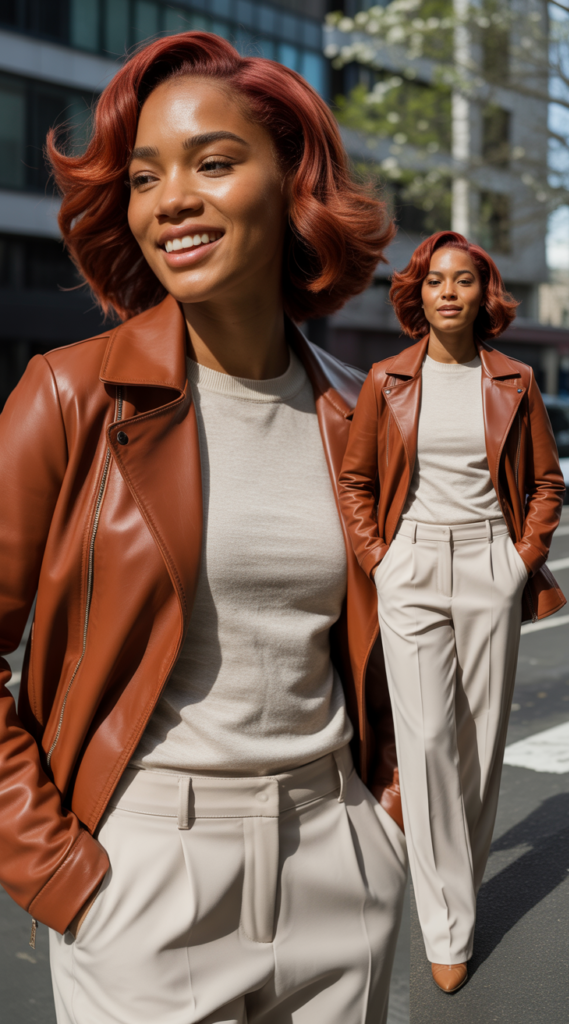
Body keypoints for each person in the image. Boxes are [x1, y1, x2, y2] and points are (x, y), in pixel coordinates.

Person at [0, 32, 408, 1024]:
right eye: (144, 178)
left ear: (295, 185)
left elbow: (404, 657)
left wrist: (390, 826)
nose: (170, 198)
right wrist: (59, 871)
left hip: (337, 861)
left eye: (213, 163)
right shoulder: (69, 397)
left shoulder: (364, 418)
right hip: (143, 878)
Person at [339, 230, 565, 994]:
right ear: (417, 293)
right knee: (429, 741)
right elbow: (356, 481)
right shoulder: (387, 380)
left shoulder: (514, 382)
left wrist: (518, 560)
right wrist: (383, 559)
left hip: (489, 563)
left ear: (483, 294)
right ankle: (447, 924)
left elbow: (546, 482)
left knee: (479, 743)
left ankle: (456, 890)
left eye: (462, 280)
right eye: (434, 280)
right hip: (410, 565)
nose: (447, 292)